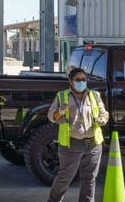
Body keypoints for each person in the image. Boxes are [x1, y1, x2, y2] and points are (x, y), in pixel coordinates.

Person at [47, 67, 109, 202]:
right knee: (65, 178)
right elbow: (52, 117)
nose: (81, 82)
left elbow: (104, 113)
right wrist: (61, 111)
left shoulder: (94, 95)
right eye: (78, 80)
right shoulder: (62, 96)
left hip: (93, 144)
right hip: (72, 144)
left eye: (84, 80)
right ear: (70, 81)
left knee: (89, 178)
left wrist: (103, 119)